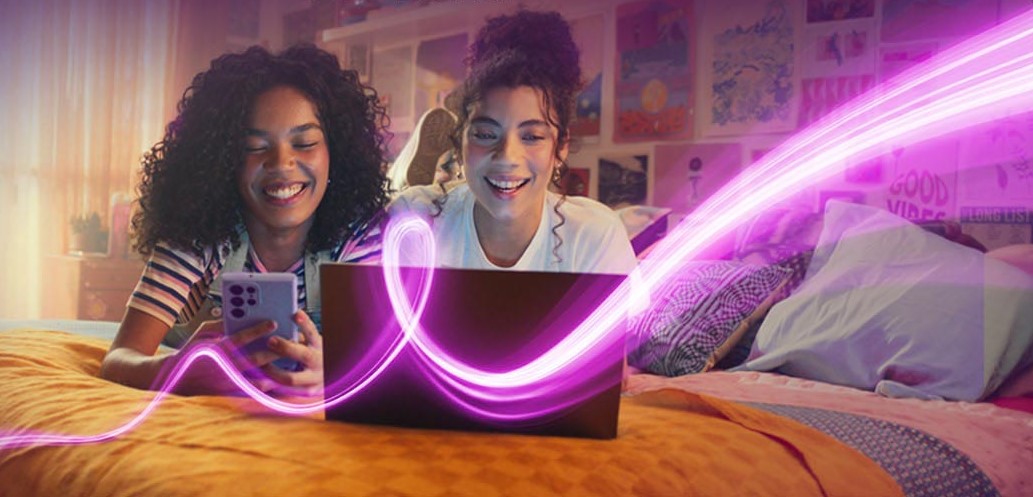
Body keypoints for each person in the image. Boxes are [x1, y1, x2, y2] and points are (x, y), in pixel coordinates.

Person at [100, 45, 389, 397]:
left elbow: (379, 367)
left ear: (336, 153)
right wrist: (179, 369)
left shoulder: (360, 237)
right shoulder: (198, 236)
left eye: (305, 142)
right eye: (255, 147)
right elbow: (118, 360)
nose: (281, 163)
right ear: (224, 161)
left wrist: (334, 378)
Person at [389, 10, 637, 275]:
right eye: (485, 135)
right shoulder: (415, 218)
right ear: (459, 142)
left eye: (531, 137)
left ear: (560, 148)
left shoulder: (595, 236)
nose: (507, 156)